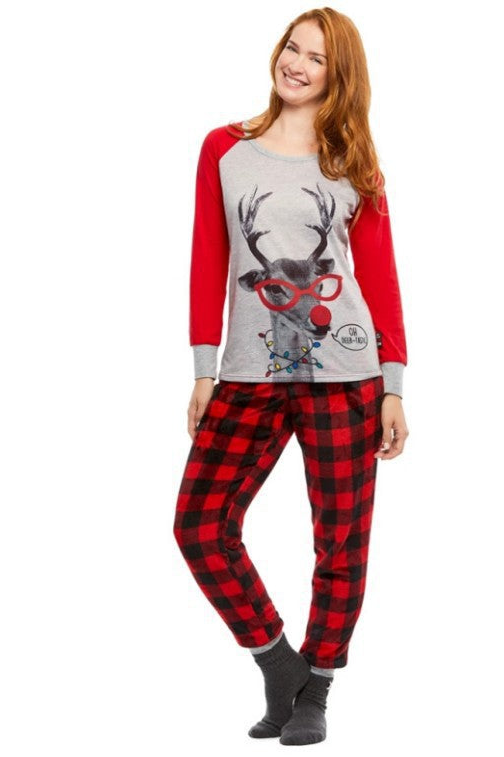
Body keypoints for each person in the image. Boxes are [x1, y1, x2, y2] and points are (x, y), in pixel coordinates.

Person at [173, 7, 409, 746]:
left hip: (347, 377)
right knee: (199, 525)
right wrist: (204, 368)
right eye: (292, 48)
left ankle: (318, 688)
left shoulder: (354, 161)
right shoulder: (224, 148)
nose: (297, 65)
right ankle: (280, 664)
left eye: (317, 58)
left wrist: (394, 383)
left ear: (340, 77)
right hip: (248, 375)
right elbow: (208, 255)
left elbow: (378, 275)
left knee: (341, 539)